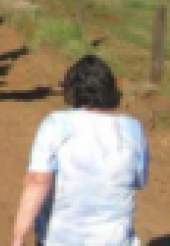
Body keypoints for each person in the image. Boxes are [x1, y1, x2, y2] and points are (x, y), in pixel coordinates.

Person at [12, 55, 149, 246]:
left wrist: (19, 237)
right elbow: (139, 181)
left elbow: (38, 181)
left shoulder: (56, 125)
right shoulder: (134, 129)